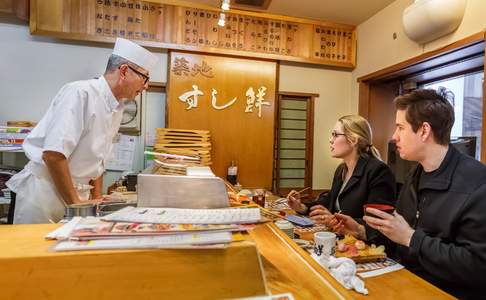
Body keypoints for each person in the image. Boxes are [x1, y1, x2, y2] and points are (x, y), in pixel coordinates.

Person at [6, 38, 157, 224]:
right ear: (124, 71)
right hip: (45, 193)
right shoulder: (80, 93)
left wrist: (97, 199)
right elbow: (53, 154)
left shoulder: (117, 108)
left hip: (78, 196)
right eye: (145, 77)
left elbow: (98, 162)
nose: (146, 86)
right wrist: (75, 205)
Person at [363, 89, 486, 299]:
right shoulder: (415, 174)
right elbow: (400, 241)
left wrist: (411, 238)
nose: (394, 137)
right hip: (405, 284)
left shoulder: (477, 183)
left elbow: (477, 267)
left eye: (400, 127)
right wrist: (361, 231)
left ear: (424, 131)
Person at [287, 115, 396, 245]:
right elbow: (330, 200)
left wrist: (335, 219)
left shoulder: (378, 171)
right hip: (341, 239)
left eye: (335, 135)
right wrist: (302, 207)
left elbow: (377, 222)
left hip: (364, 246)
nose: (330, 140)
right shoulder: (341, 169)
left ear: (353, 140)